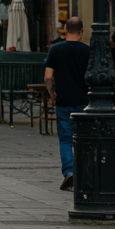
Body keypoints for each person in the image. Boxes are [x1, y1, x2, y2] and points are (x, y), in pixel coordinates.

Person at [44, 16, 90, 191]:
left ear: (65, 32)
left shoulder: (56, 50)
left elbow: (48, 77)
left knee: (65, 139)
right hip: (84, 102)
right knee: (83, 139)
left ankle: (69, 172)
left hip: (63, 101)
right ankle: (84, 173)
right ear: (81, 32)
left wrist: (52, 93)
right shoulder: (88, 51)